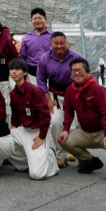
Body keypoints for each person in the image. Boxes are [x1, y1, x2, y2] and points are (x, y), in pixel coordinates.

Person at [58, 57, 106, 182]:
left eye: (80, 70)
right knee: (63, 140)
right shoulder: (70, 90)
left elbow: (105, 113)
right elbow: (68, 111)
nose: (77, 73)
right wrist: (66, 129)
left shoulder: (97, 89)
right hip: (85, 132)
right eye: (73, 71)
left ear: (88, 72)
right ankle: (91, 161)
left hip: (102, 131)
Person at [35, 32, 84, 166]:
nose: (59, 46)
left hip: (76, 95)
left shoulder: (77, 57)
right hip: (55, 96)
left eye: (62, 43)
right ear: (50, 44)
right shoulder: (44, 59)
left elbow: (86, 77)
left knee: (80, 123)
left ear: (67, 43)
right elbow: (41, 81)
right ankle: (61, 155)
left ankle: (81, 154)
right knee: (56, 122)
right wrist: (48, 99)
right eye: (56, 43)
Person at [8, 59, 58, 180]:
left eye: (17, 69)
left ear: (25, 73)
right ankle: (27, 162)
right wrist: (14, 125)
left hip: (37, 132)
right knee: (4, 143)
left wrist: (42, 136)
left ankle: (50, 156)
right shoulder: (13, 93)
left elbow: (45, 115)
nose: (14, 72)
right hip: (24, 129)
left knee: (37, 175)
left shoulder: (34, 90)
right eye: (11, 69)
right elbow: (14, 112)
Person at [18, 7, 53, 84]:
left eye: (40, 18)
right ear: (31, 21)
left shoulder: (53, 36)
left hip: (51, 72)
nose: (37, 20)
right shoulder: (27, 38)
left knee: (50, 95)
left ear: (46, 19)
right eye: (35, 18)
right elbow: (23, 57)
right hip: (32, 73)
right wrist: (24, 75)